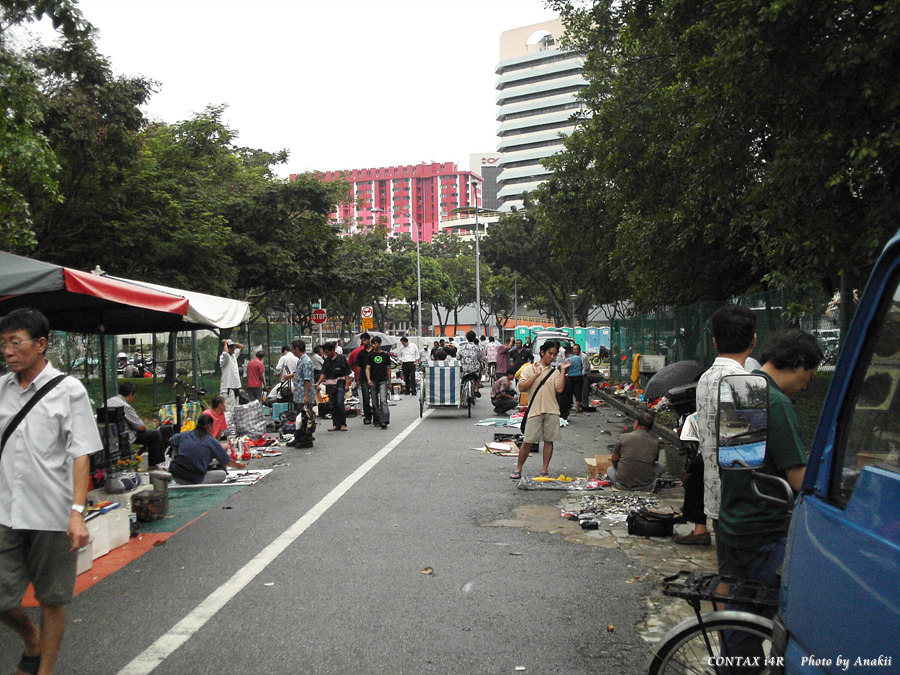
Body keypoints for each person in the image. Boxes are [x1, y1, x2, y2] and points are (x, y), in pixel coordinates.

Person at [0, 308, 101, 675]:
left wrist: (77, 512)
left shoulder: (69, 390)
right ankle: (31, 638)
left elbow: (80, 453)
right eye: (4, 344)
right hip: (5, 510)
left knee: (51, 598)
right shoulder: (1, 389)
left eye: (16, 342)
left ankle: (45, 670)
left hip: (52, 514)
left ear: (40, 345)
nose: (8, 351)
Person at [718, 330, 822, 662]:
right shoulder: (777, 403)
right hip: (766, 529)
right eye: (809, 376)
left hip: (734, 522)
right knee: (779, 616)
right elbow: (797, 477)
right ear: (799, 364)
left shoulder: (740, 389)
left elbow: (739, 464)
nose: (806, 385)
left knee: (740, 614)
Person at [688, 305, 757, 549]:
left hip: (715, 489)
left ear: (715, 342)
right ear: (754, 340)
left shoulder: (706, 378)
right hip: (740, 496)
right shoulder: (745, 382)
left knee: (727, 565)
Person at [510, 340, 570, 479]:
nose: (552, 357)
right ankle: (518, 468)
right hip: (535, 410)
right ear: (542, 352)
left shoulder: (554, 372)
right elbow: (522, 387)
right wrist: (536, 375)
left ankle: (544, 469)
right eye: (550, 353)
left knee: (549, 441)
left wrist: (562, 371)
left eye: (554, 355)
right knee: (528, 441)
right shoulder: (529, 369)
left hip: (552, 410)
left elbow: (559, 389)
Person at [167, 414, 246, 484]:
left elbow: (171, 439)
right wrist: (239, 466)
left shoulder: (185, 434)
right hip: (193, 479)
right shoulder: (211, 441)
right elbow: (227, 462)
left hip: (176, 473)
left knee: (175, 443)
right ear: (208, 427)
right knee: (222, 474)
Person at [106, 382, 167, 470]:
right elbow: (140, 427)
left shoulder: (107, 402)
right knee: (155, 434)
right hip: (125, 435)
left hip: (109, 434)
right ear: (131, 394)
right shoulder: (125, 406)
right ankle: (154, 465)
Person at [606, 412, 664, 490]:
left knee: (610, 469)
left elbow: (614, 459)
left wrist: (620, 468)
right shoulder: (655, 442)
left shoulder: (624, 437)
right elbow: (653, 462)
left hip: (621, 485)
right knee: (659, 467)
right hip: (645, 486)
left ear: (636, 423)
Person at [317, 342, 350, 432]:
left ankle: (343, 424)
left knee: (339, 403)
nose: (326, 354)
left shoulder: (341, 359)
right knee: (332, 405)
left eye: (327, 352)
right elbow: (323, 373)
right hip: (330, 385)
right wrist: (318, 383)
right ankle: (336, 424)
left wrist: (347, 384)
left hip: (340, 383)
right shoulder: (327, 361)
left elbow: (347, 373)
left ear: (332, 350)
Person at [366, 336, 391, 429]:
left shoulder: (385, 356)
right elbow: (367, 369)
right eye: (372, 344)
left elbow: (388, 369)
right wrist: (368, 379)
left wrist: (389, 382)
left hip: (383, 380)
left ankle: (384, 420)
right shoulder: (370, 356)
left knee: (383, 400)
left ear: (379, 344)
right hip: (373, 380)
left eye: (375, 343)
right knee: (374, 401)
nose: (373, 345)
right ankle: (376, 420)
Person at [348, 334, 374, 425]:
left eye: (365, 340)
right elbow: (358, 367)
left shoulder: (375, 352)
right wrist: (358, 380)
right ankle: (367, 416)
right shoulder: (360, 353)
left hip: (374, 378)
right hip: (363, 378)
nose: (363, 342)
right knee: (365, 397)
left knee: (374, 398)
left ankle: (377, 416)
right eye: (362, 340)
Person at [219, 339, 245, 413]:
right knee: (228, 409)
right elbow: (225, 354)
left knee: (235, 409)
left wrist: (232, 343)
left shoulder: (233, 356)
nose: (233, 349)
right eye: (231, 348)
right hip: (228, 387)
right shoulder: (224, 358)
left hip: (235, 387)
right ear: (227, 348)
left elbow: (241, 347)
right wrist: (225, 343)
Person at [457, 330, 484, 396]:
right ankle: (476, 388)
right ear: (474, 338)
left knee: (462, 379)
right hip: (475, 369)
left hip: (464, 369)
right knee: (479, 374)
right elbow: (480, 358)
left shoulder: (462, 348)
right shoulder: (477, 348)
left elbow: (458, 357)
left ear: (467, 338)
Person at [291, 339, 314, 412]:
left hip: (303, 397)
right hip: (299, 396)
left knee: (305, 419)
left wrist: (306, 396)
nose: (292, 351)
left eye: (292, 348)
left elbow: (307, 379)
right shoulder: (301, 360)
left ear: (297, 348)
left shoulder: (306, 362)